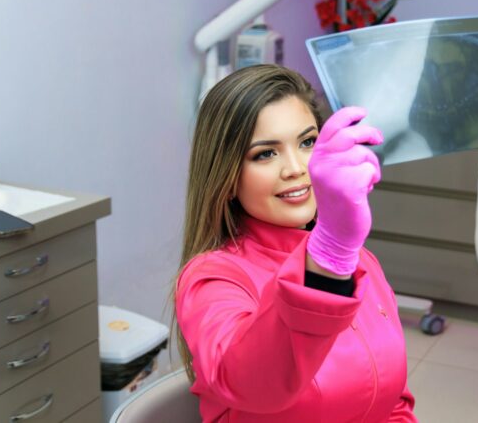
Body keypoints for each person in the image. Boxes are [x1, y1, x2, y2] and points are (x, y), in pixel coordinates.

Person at [174, 64, 416, 422]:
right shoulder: (212, 278)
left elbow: (393, 402)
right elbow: (252, 382)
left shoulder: (359, 261)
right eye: (265, 154)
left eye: (307, 142)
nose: (296, 167)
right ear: (225, 176)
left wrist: (338, 251)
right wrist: (328, 256)